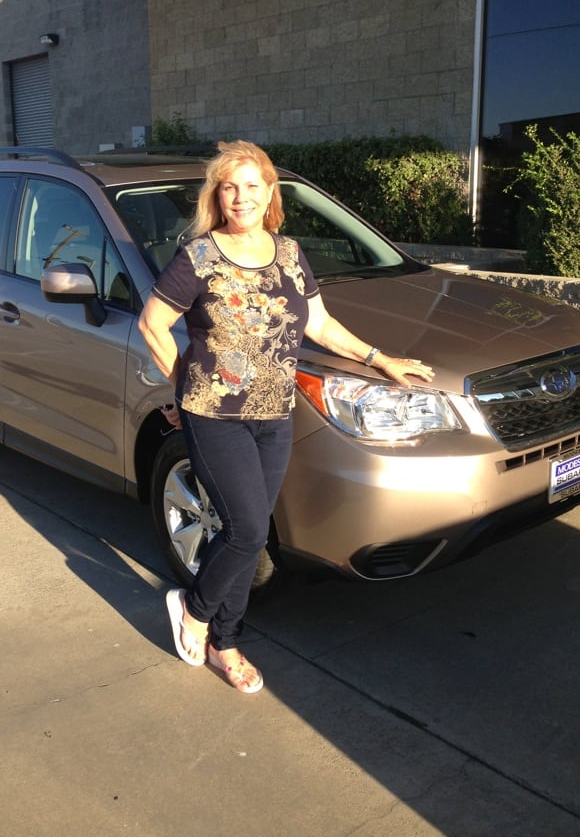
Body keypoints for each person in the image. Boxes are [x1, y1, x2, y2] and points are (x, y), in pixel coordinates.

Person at [138, 140, 434, 694]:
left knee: (250, 536)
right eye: (230, 187)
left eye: (252, 186)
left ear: (270, 192)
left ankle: (226, 642)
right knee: (248, 531)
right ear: (216, 196)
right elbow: (152, 324)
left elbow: (319, 325)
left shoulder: (290, 253)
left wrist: (379, 359)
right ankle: (195, 611)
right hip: (214, 415)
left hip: (274, 415)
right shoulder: (199, 256)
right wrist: (186, 389)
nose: (241, 197)